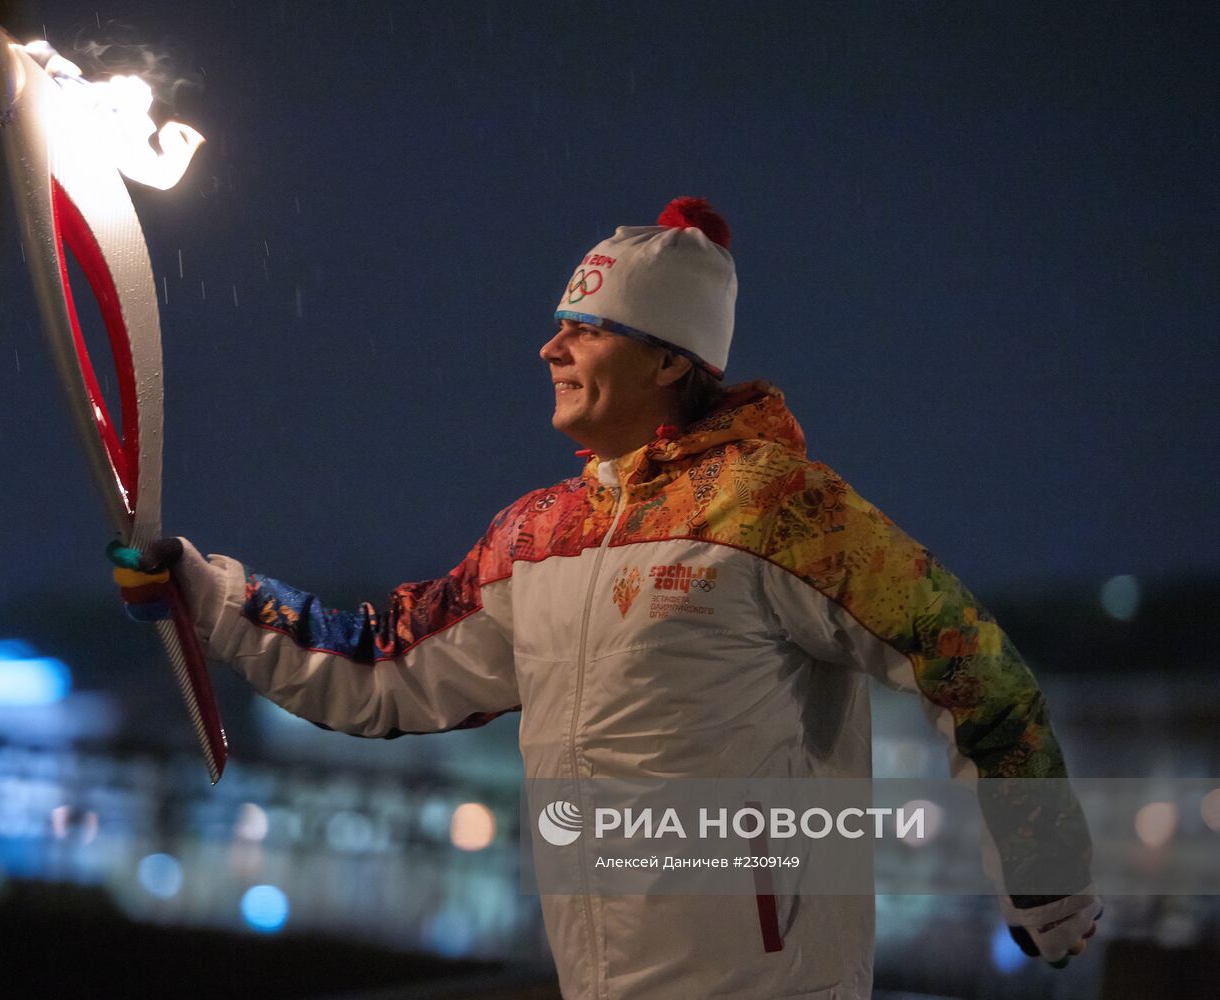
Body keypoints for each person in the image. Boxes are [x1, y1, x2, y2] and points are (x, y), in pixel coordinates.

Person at [111, 197, 1100, 999]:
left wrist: (1042, 866)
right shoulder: (537, 535)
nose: (550, 348)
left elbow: (967, 658)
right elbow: (377, 668)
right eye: (556, 326)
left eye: (585, 328)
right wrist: (206, 592)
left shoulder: (770, 505)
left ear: (670, 358)